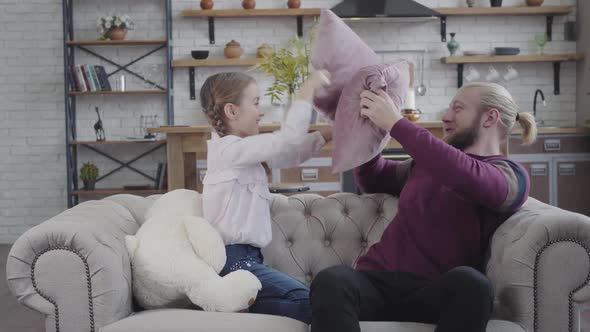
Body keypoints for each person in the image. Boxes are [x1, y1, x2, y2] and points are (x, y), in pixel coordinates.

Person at [310, 82, 537, 332]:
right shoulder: (426, 165)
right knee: (331, 281)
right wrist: (369, 139)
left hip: (436, 290)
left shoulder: (510, 176)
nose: (446, 116)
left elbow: (465, 173)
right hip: (379, 281)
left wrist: (397, 124)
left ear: (490, 118)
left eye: (457, 109)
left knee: (474, 284)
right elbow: (374, 178)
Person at [199, 70, 331, 324]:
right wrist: (307, 90)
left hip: (248, 260)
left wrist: (329, 133)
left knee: (319, 302)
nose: (261, 111)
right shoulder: (227, 151)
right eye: (256, 102)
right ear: (232, 111)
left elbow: (290, 153)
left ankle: (237, 306)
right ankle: (231, 306)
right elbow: (288, 139)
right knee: (312, 304)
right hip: (233, 263)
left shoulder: (242, 153)